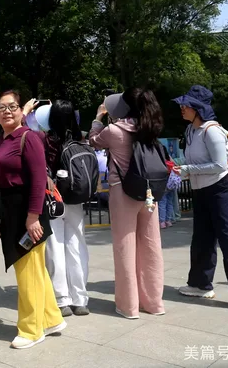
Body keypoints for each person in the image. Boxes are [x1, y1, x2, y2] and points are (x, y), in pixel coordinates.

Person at [0, 91, 66, 349]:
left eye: (12, 106)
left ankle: (31, 329)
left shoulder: (28, 137)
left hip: (27, 211)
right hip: (9, 210)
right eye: (2, 107)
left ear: (22, 110)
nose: (7, 111)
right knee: (34, 269)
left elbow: (39, 179)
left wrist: (33, 217)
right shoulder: (0, 141)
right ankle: (52, 319)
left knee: (27, 271)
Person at [172, 85, 228, 314]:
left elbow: (220, 165)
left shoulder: (212, 131)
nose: (182, 108)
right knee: (202, 239)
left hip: (222, 190)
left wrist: (187, 170)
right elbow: (196, 161)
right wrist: (180, 167)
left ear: (197, 108)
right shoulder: (190, 130)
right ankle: (200, 285)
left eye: (186, 105)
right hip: (201, 190)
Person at [89, 89, 165, 319]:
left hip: (122, 191)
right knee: (151, 246)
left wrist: (98, 118)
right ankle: (154, 303)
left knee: (125, 247)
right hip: (149, 192)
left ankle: (128, 305)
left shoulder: (114, 131)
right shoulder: (150, 127)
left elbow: (93, 141)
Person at [24, 98, 91, 317]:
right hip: (75, 199)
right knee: (77, 246)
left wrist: (26, 112)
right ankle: (80, 299)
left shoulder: (44, 138)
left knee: (55, 246)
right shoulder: (79, 139)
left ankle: (62, 300)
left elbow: (22, 135)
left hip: (53, 198)